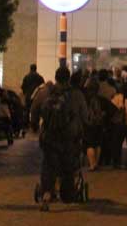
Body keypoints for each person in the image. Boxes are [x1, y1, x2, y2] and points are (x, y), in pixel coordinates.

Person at [36, 67, 88, 211]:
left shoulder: (45, 92)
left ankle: (46, 193)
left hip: (49, 137)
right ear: (68, 78)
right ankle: (66, 194)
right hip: (69, 138)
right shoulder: (76, 95)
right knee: (68, 167)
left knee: (48, 165)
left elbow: (34, 111)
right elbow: (85, 116)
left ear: (56, 77)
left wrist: (36, 126)